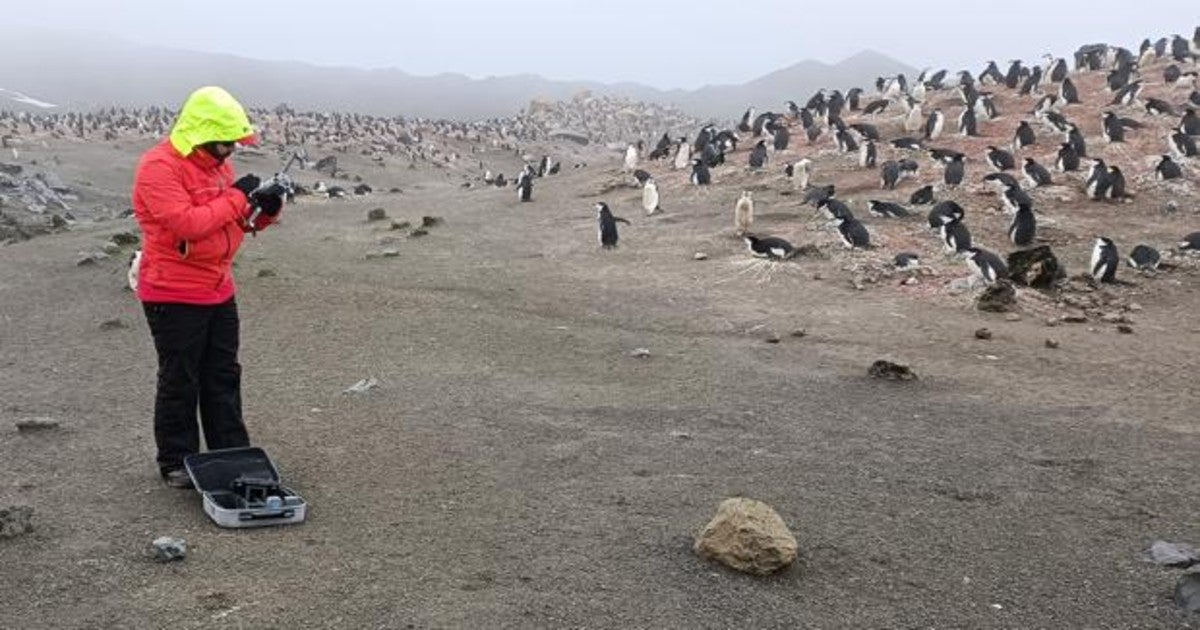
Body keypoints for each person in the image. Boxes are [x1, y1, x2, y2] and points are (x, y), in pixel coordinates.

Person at [131, 86, 286, 488]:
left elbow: (231, 223)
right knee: (180, 377)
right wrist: (238, 198)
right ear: (200, 134)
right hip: (173, 291)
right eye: (224, 142)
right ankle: (177, 461)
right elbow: (188, 223)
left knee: (222, 373)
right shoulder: (158, 167)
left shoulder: (217, 168)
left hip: (218, 286)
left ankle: (230, 452)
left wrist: (265, 212)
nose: (230, 151)